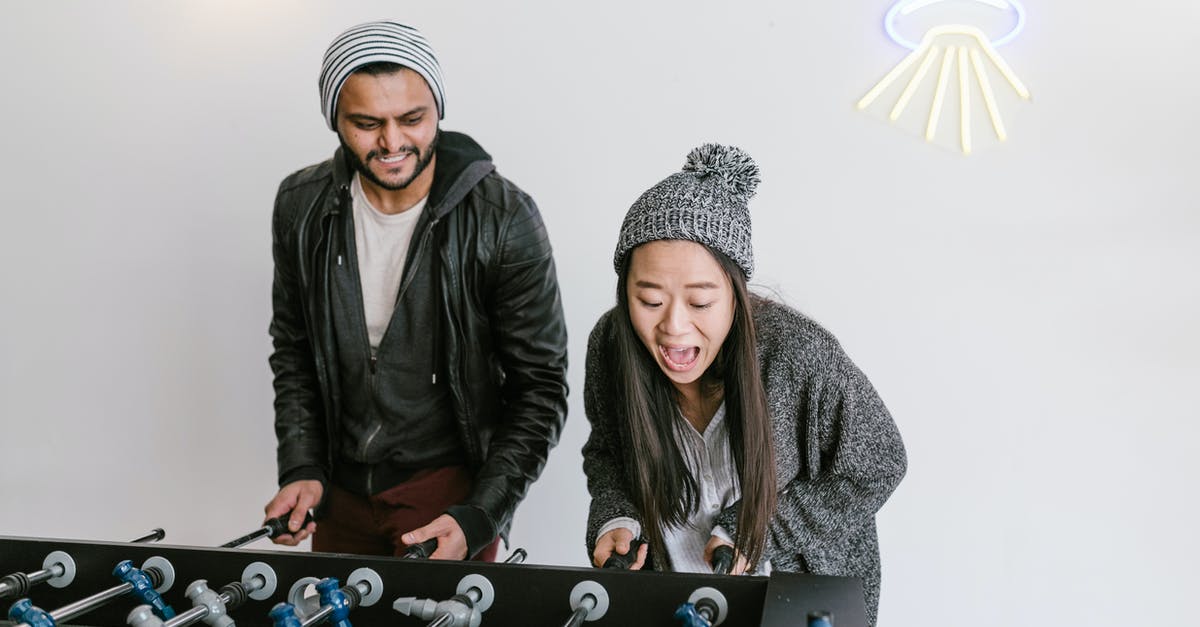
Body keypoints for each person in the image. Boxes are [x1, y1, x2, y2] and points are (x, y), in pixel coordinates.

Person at [264, 20, 568, 561]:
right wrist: (302, 467)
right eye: (366, 123)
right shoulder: (300, 205)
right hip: (339, 499)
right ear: (335, 119)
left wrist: (480, 514)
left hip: (448, 497)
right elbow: (294, 353)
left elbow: (540, 389)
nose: (392, 142)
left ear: (439, 111)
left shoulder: (504, 218)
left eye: (412, 118)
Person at [582, 144, 906, 624]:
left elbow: (880, 464)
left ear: (736, 294)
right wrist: (615, 515)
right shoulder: (611, 345)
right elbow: (608, 453)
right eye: (649, 300)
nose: (673, 327)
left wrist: (755, 531)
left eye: (700, 302)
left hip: (796, 606)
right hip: (674, 604)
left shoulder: (799, 354)